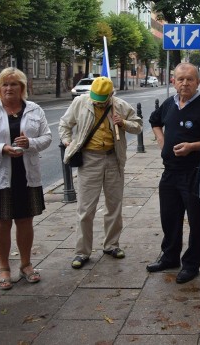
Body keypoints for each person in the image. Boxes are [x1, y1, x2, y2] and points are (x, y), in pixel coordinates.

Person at [0, 67, 52, 290]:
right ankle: (3, 267)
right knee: (0, 222)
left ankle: (26, 264)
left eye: (14, 84)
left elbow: (47, 137)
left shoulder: (34, 109)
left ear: (22, 87)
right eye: (4, 84)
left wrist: (30, 144)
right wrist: (1, 148)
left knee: (25, 220)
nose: (8, 88)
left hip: (27, 175)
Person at [59, 76, 143, 269]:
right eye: (95, 98)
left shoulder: (120, 105)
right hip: (89, 159)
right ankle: (82, 252)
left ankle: (111, 245)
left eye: (101, 99)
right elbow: (64, 124)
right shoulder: (81, 102)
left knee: (114, 205)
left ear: (110, 95)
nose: (97, 102)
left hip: (113, 158)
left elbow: (138, 126)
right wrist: (67, 142)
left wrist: (123, 123)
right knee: (86, 209)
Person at [147, 63, 200, 284]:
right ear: (173, 82)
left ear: (198, 82)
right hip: (169, 173)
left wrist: (192, 146)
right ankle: (170, 257)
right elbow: (154, 120)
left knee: (196, 222)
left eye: (190, 79)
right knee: (169, 218)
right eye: (180, 79)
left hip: (194, 173)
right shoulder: (169, 104)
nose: (185, 83)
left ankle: (191, 264)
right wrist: (162, 140)